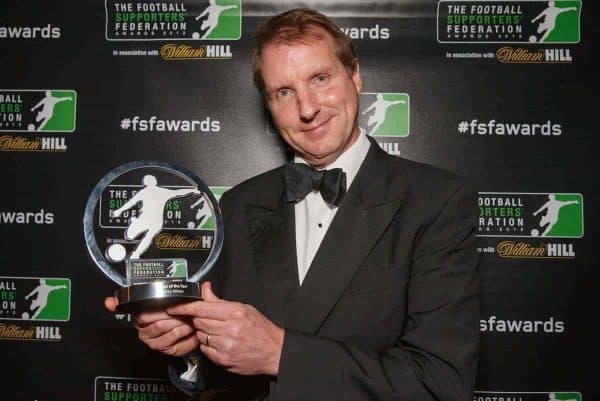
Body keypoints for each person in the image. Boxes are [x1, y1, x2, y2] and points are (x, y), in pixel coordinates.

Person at [106, 8, 480, 401]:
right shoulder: (237, 205)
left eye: (320, 79)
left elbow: (441, 383)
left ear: (354, 76)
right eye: (284, 92)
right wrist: (191, 351)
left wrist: (281, 354)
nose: (307, 108)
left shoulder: (436, 202)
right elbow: (225, 379)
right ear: (269, 105)